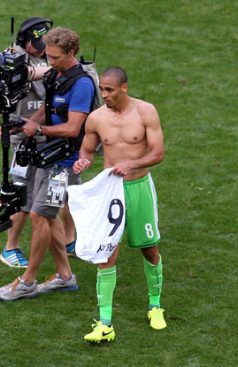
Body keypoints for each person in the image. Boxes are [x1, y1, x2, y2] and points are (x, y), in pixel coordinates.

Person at [0, 27, 96, 301]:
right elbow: (46, 110)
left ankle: (28, 281)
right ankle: (65, 276)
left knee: (40, 215)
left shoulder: (82, 84)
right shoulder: (56, 75)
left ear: (72, 53)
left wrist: (37, 131)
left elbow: (74, 128)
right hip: (47, 157)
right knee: (46, 217)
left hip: (64, 163)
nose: (50, 63)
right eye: (48, 57)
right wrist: (22, 125)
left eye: (56, 57)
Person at [73, 66, 166, 343]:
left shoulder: (146, 112)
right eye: (102, 89)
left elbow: (158, 153)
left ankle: (155, 305)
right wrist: (84, 161)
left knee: (149, 250)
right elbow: (87, 148)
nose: (104, 95)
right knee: (106, 254)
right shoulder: (96, 118)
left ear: (123, 87)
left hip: (138, 189)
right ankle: (105, 322)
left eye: (109, 90)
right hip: (110, 193)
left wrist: (132, 164)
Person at [0, 17, 52, 268]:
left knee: (60, 188)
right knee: (20, 195)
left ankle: (71, 240)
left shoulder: (45, 54)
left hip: (44, 133)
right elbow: (31, 75)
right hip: (23, 138)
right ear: (27, 43)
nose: (44, 48)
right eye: (39, 43)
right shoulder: (14, 61)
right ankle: (10, 247)